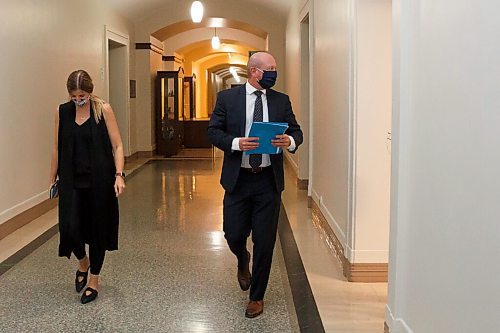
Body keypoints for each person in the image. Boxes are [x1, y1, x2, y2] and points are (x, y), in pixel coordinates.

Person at [208, 52, 303, 318]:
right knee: (233, 234)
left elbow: (296, 132)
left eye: (275, 68)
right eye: (270, 68)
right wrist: (237, 143)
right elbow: (213, 131)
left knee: (265, 241)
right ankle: (242, 258)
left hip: (267, 181)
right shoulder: (228, 99)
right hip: (237, 180)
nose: (274, 73)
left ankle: (257, 296)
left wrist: (290, 142)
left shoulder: (280, 100)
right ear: (254, 71)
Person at [49, 70, 126, 304]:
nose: (78, 100)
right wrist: (52, 178)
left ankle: (94, 279)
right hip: (71, 182)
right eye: (74, 96)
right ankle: (83, 262)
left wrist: (119, 175)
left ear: (90, 92)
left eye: (81, 96)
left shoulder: (103, 110)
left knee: (97, 232)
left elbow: (118, 145)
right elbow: (56, 147)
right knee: (70, 229)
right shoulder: (62, 112)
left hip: (100, 182)